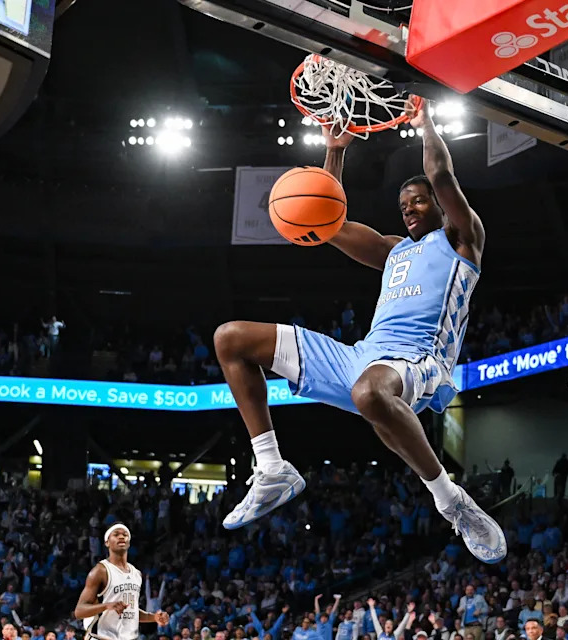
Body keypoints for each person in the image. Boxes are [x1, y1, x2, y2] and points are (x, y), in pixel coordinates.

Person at [212, 98, 505, 563]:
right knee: (231, 338)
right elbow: (326, 220)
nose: (409, 209)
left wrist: (427, 124)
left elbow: (443, 176)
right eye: (403, 204)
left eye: (419, 201)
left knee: (370, 396)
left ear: (439, 206)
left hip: (420, 359)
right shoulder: (392, 251)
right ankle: (271, 467)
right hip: (362, 355)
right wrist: (336, 151)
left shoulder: (462, 240)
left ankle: (451, 501)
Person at [74, 524, 168, 640]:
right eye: (116, 534)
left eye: (125, 535)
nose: (121, 537)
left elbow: (131, 611)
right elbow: (79, 611)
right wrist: (106, 605)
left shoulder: (136, 574)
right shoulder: (100, 571)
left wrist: (154, 617)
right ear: (107, 542)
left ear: (128, 543)